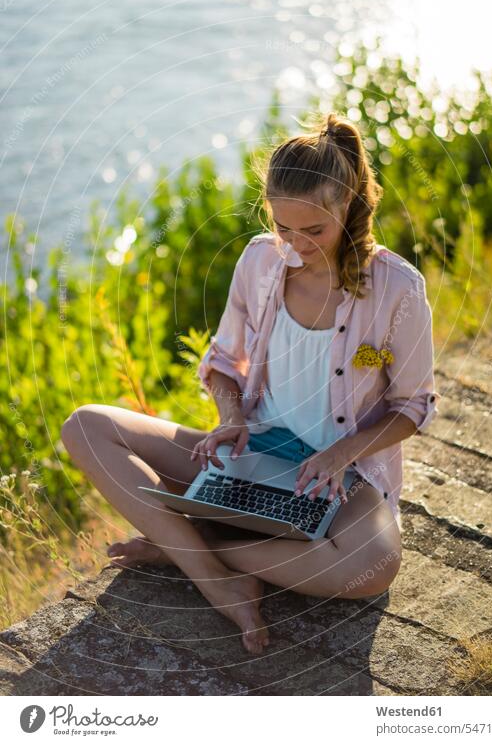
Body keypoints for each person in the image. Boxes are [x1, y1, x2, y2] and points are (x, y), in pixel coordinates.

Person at [61, 112, 440, 655]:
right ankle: (217, 578)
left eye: (315, 230)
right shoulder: (261, 260)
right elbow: (221, 364)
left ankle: (185, 548)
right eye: (284, 227)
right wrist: (232, 418)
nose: (297, 244)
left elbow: (414, 405)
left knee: (373, 569)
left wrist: (339, 455)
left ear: (349, 206)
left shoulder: (397, 288)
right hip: (253, 454)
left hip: (338, 480)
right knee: (85, 426)